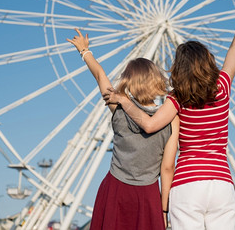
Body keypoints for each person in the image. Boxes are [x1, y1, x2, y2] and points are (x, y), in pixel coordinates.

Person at [103, 0, 235, 230]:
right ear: (208, 62)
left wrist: (123, 101)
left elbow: (149, 124)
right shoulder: (222, 87)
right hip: (221, 184)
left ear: (178, 69)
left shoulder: (177, 100)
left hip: (187, 183)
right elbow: (234, 50)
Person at [67, 29, 179, 230]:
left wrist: (85, 51)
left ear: (129, 82)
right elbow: (168, 167)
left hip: (115, 188)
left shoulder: (119, 108)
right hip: (148, 194)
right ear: (157, 81)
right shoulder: (171, 120)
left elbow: (100, 75)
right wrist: (164, 211)